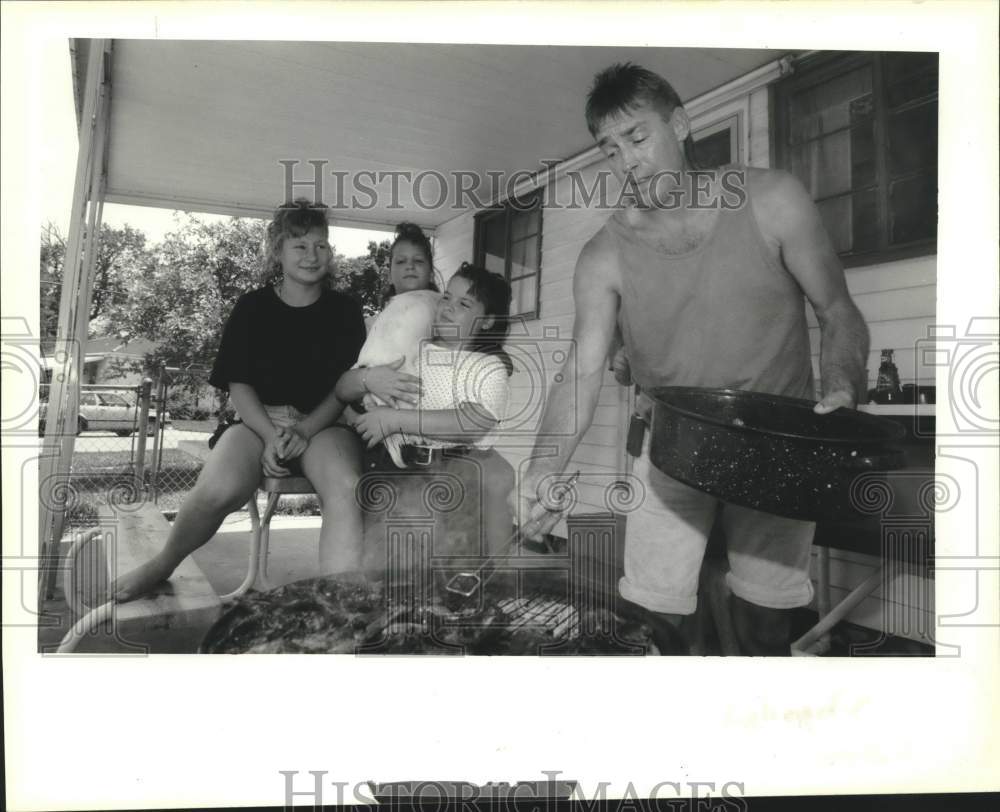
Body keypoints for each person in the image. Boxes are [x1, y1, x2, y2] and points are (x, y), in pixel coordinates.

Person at [512, 63, 870, 655]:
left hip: (775, 443)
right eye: (609, 148)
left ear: (679, 124)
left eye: (638, 137)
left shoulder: (772, 198)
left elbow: (838, 310)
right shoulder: (603, 254)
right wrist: (543, 467)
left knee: (764, 618)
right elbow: (581, 370)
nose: (626, 161)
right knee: (654, 616)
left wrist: (840, 388)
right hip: (671, 447)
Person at [112, 200, 367, 600]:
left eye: (321, 245)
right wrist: (269, 435)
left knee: (347, 487)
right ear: (277, 251)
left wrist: (304, 429)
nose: (312, 255)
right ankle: (162, 564)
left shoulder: (345, 311)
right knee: (219, 487)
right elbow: (239, 384)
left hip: (324, 424)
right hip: (257, 421)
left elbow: (345, 385)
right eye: (299, 246)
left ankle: (340, 603)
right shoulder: (252, 308)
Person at [351, 263, 516, 575]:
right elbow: (359, 387)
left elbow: (472, 423)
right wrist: (369, 399)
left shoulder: (488, 367)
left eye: (465, 304)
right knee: (396, 573)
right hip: (403, 476)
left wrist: (395, 419)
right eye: (446, 298)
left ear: (488, 320)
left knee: (458, 574)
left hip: (462, 480)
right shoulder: (411, 352)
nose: (449, 308)